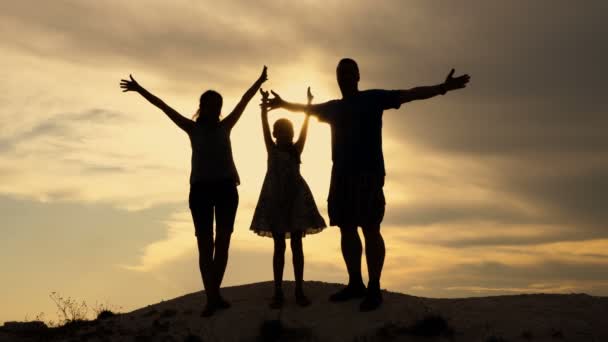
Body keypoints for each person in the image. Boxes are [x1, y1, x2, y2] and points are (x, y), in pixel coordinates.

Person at [267, 58, 470, 311]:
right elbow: (308, 110)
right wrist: (283, 104)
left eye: (349, 72)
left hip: (368, 174)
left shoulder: (373, 99)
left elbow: (410, 94)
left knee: (371, 228)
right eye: (341, 72)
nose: (345, 76)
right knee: (347, 228)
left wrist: (441, 87)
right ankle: (355, 284)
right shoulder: (334, 108)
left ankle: (373, 287)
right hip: (341, 175)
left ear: (358, 75)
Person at [120, 66, 268, 317]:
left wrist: (259, 80)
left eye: (217, 105)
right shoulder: (193, 128)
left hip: (226, 188)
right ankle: (212, 297)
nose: (214, 109)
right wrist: (139, 89)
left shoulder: (226, 126)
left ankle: (214, 294)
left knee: (222, 243)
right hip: (200, 190)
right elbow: (164, 107)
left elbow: (244, 100)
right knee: (205, 245)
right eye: (209, 104)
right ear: (202, 106)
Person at [251, 87, 327, 309]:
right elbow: (263, 128)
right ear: (276, 135)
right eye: (282, 132)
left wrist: (309, 104)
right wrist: (263, 110)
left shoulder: (297, 150)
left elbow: (306, 128)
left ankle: (299, 289)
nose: (286, 135)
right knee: (278, 248)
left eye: (288, 132)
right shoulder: (271, 150)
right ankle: (278, 291)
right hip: (276, 202)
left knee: (296, 245)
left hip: (296, 202)